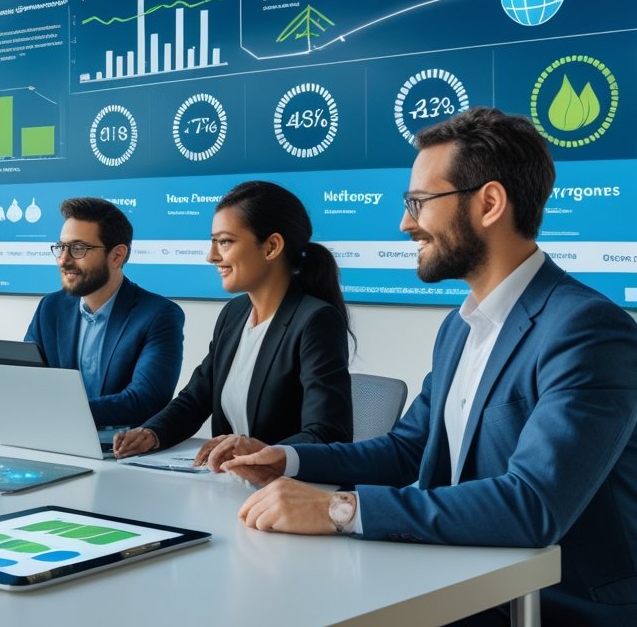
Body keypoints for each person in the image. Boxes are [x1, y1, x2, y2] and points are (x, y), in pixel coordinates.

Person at [223, 107, 637, 625]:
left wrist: (338, 510)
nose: (405, 223)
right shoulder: (459, 327)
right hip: (460, 576)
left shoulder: (587, 329)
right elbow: (408, 447)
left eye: (419, 202)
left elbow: (533, 506)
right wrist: (288, 460)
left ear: (489, 203)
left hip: (552, 602)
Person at [112, 181, 352, 465]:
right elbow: (196, 399)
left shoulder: (314, 320)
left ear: (271, 246)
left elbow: (327, 433)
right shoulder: (234, 314)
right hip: (230, 485)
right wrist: (152, 432)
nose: (211, 256)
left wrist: (256, 452)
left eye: (224, 241)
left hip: (285, 492)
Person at [0, 197, 184, 428]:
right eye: (61, 248)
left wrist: (56, 411)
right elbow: (27, 383)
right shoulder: (50, 307)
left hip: (120, 452)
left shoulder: (159, 315)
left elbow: (144, 400)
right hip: (53, 440)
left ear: (117, 256)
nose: (63, 260)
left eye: (78, 248)